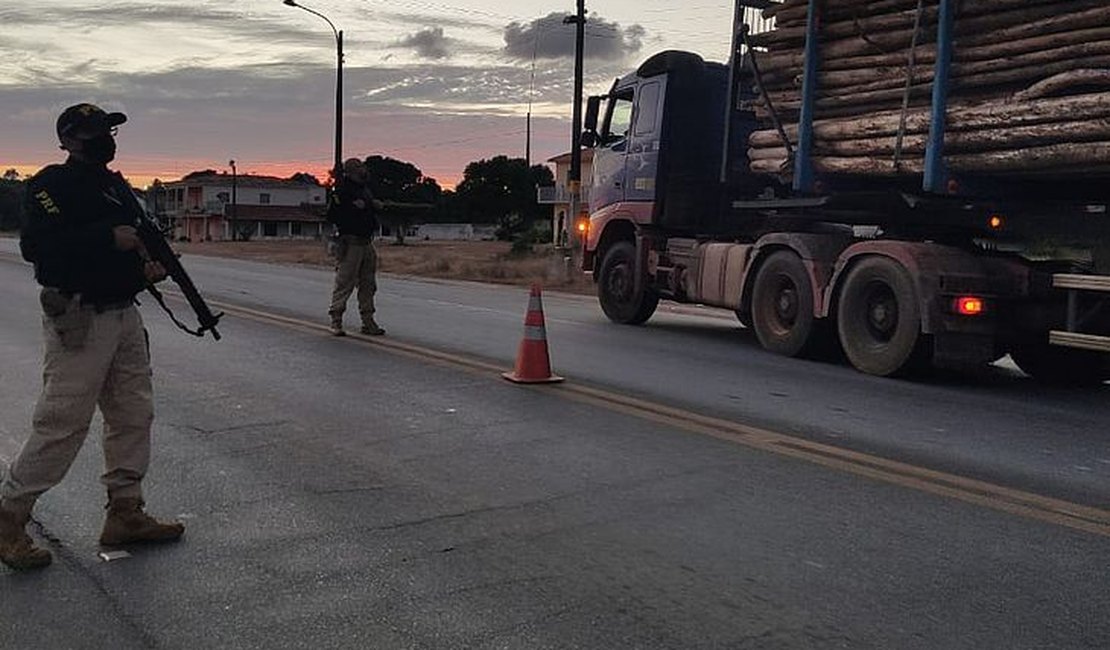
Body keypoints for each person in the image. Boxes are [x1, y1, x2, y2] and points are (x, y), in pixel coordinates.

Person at [0, 103, 185, 571]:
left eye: (108, 130)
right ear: (66, 142)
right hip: (80, 316)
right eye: (92, 133)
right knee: (62, 422)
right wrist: (108, 237)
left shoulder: (116, 186)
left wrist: (145, 267)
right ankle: (9, 518)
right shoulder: (49, 186)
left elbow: (134, 239)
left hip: (124, 313)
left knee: (133, 414)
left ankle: (126, 512)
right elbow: (36, 247)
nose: (104, 139)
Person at [327, 158, 385, 336]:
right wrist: (354, 208)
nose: (363, 169)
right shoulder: (342, 191)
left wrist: (371, 205)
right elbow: (332, 215)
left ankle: (368, 321)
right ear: (351, 171)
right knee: (345, 282)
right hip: (350, 242)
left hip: (366, 242)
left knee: (368, 284)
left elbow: (367, 207)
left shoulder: (364, 190)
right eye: (359, 167)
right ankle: (336, 319)